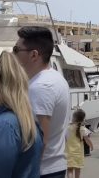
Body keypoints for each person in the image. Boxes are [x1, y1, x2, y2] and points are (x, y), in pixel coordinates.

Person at [13, 26, 70, 178]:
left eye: (16, 49)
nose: (14, 54)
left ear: (33, 55)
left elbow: (41, 140)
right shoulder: (56, 78)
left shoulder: (40, 87)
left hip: (42, 170)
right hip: (53, 167)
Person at [66, 109, 93, 178]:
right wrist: (91, 146)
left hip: (68, 152)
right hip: (78, 153)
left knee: (69, 170)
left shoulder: (68, 128)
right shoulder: (83, 129)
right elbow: (87, 140)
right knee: (78, 170)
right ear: (83, 119)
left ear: (74, 118)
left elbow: (64, 139)